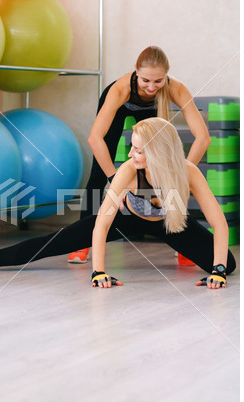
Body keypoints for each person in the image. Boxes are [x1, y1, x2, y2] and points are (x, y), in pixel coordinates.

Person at [0, 118, 235, 290]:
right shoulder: (128, 171)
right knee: (60, 239)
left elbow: (218, 223)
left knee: (229, 264)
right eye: (132, 147)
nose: (130, 153)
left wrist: (219, 270)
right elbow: (102, 224)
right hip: (129, 216)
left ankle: (186, 251)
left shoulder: (187, 171)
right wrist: (98, 271)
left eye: (138, 150)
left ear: (158, 153)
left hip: (171, 223)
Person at [68, 45, 211, 263]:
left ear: (166, 76)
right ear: (135, 70)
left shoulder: (176, 88)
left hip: (151, 113)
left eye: (158, 81)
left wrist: (182, 175)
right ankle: (81, 243)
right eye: (145, 80)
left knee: (168, 178)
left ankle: (183, 244)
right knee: (98, 176)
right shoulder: (120, 90)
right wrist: (116, 180)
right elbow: (94, 139)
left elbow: (203, 138)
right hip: (119, 107)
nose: (151, 87)